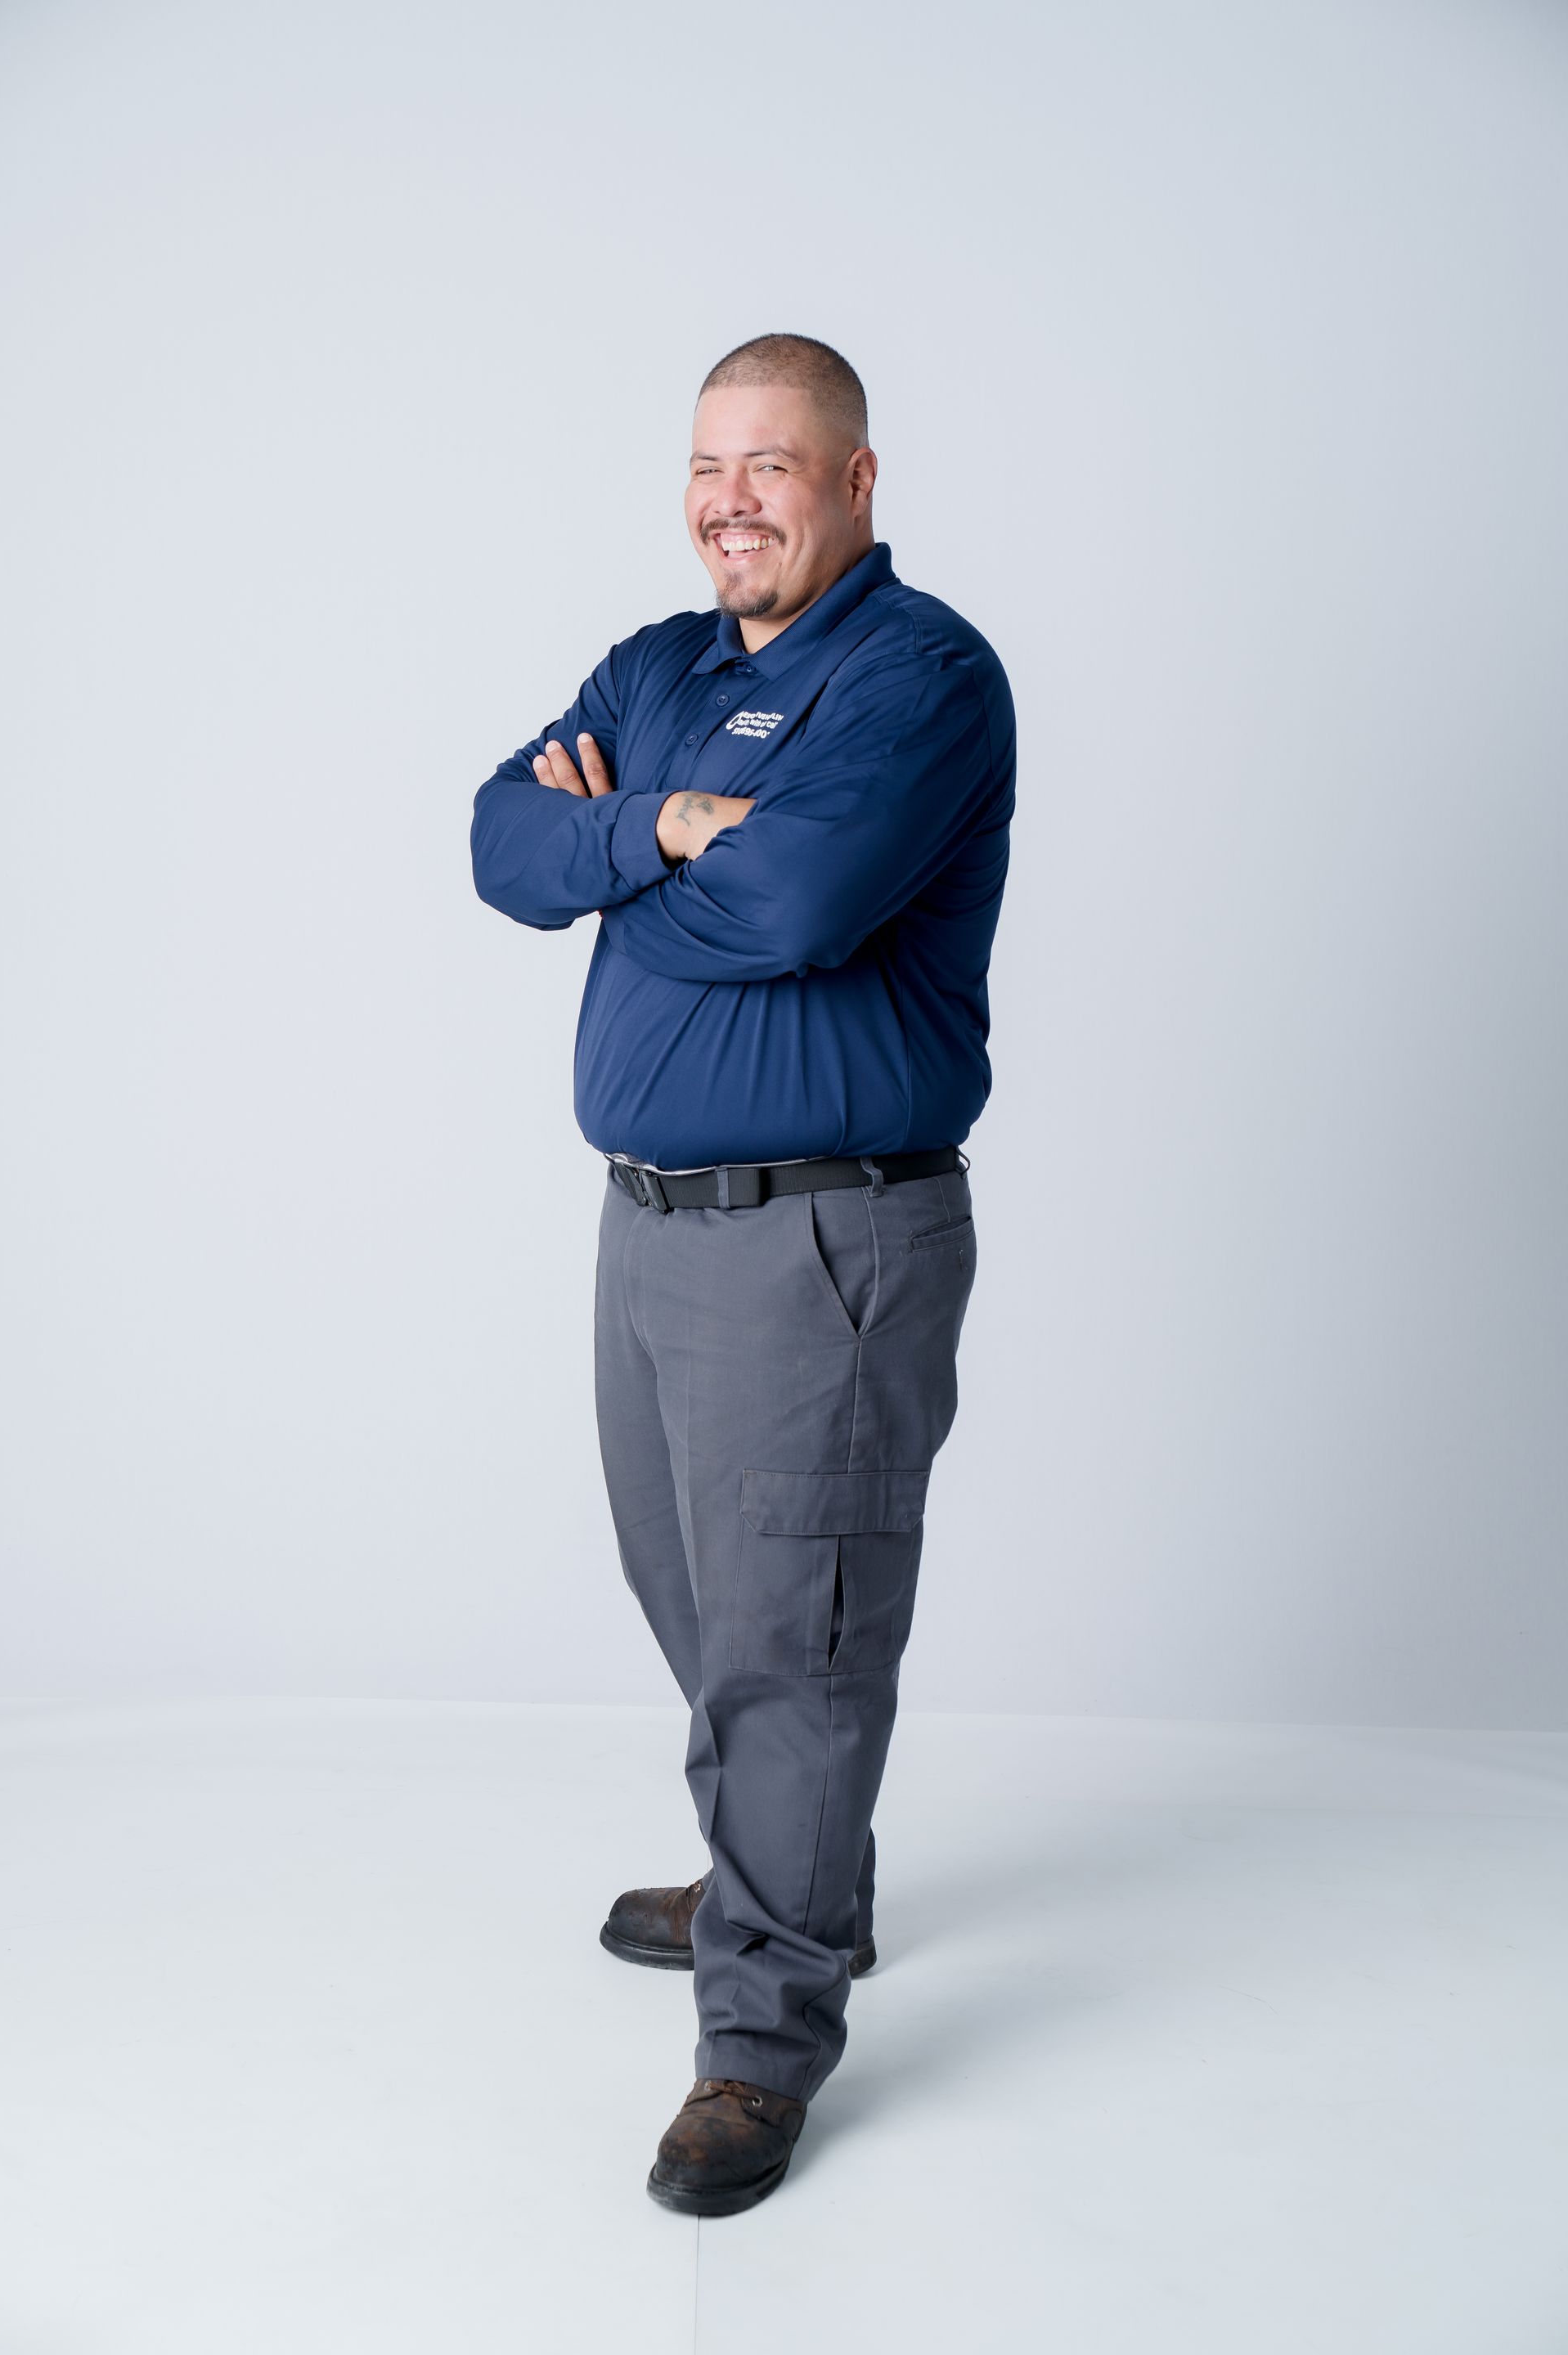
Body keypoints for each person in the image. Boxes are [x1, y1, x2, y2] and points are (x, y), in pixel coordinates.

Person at [470, 333, 1015, 2217]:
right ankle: (786, 1860)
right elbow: (499, 842)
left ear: (856, 482)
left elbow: (796, 904)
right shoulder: (661, 667)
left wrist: (651, 863)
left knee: (793, 1640)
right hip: (649, 1225)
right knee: (697, 1590)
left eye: (774, 465)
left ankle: (765, 2027)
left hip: (822, 1236)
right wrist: (656, 827)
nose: (732, 499)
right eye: (710, 464)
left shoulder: (922, 674)